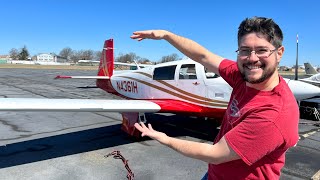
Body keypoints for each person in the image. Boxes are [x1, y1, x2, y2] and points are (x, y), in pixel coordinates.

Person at [130, 16, 299, 180]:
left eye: (262, 50)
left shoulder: (274, 114)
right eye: (245, 50)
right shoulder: (242, 76)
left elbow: (215, 154)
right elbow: (203, 56)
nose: (252, 58)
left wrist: (165, 139)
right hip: (215, 174)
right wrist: (167, 35)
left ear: (279, 53)